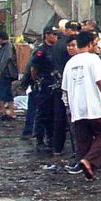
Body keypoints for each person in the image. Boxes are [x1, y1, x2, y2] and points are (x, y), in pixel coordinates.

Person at [61, 31, 101, 181]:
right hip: (92, 105)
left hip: (76, 108)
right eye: (96, 43)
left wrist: (68, 107)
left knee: (83, 140)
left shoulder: (70, 62)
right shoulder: (94, 59)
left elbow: (64, 88)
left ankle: (89, 172)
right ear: (91, 43)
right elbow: (100, 82)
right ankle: (89, 160)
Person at [30, 26, 64, 154]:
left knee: (53, 113)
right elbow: (34, 68)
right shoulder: (41, 51)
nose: (55, 37)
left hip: (56, 84)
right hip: (45, 84)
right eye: (53, 34)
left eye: (56, 34)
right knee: (42, 113)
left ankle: (51, 138)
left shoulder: (57, 49)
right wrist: (37, 80)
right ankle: (39, 139)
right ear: (47, 35)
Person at [0, 32, 18, 121]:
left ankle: (3, 111)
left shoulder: (8, 47)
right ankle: (11, 112)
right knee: (8, 93)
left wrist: (0, 69)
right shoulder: (3, 47)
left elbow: (6, 58)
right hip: (6, 73)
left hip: (7, 73)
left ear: (0, 39)